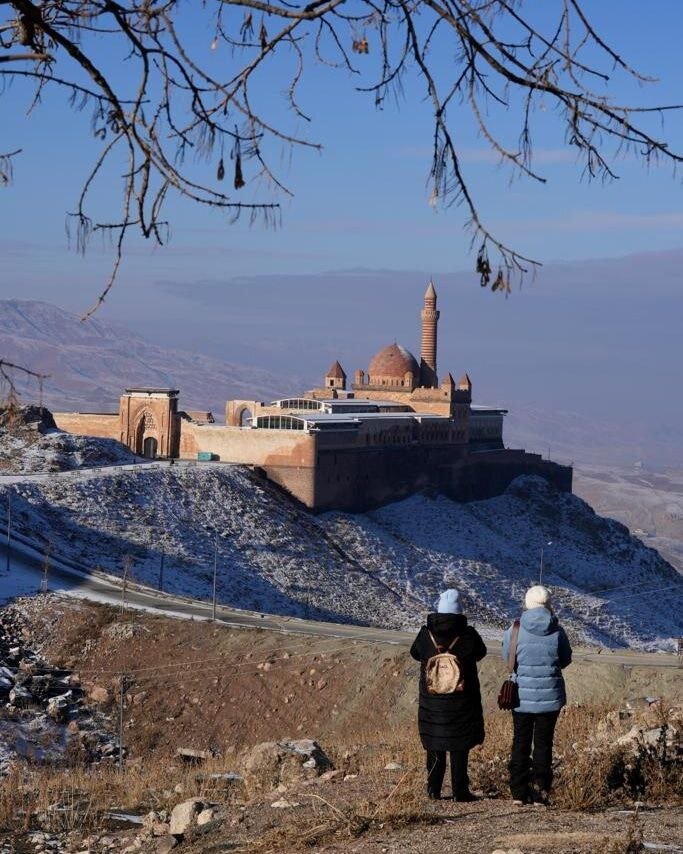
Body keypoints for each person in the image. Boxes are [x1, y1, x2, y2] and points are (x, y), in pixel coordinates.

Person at [410, 588, 487, 801]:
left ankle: (433, 789)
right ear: (459, 611)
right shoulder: (468, 635)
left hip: (432, 701)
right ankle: (459, 791)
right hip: (461, 701)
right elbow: (481, 652)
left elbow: (414, 653)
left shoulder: (426, 634)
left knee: (435, 743)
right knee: (459, 745)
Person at [502, 585, 572, 806]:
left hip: (521, 696)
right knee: (543, 743)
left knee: (520, 741)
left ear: (527, 603)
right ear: (549, 604)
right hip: (550, 697)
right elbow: (565, 660)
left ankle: (518, 792)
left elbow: (508, 659)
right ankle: (540, 791)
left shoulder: (514, 630)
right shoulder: (558, 632)